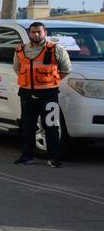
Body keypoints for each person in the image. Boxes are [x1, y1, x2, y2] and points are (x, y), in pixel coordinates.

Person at [14, 21, 72, 168]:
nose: (36, 34)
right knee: (27, 126)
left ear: (45, 32)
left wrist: (50, 82)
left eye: (39, 32)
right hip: (26, 93)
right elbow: (17, 69)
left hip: (48, 94)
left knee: (51, 126)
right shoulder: (20, 50)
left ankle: (53, 158)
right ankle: (27, 156)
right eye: (33, 32)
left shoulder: (55, 49)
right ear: (29, 33)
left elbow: (66, 69)